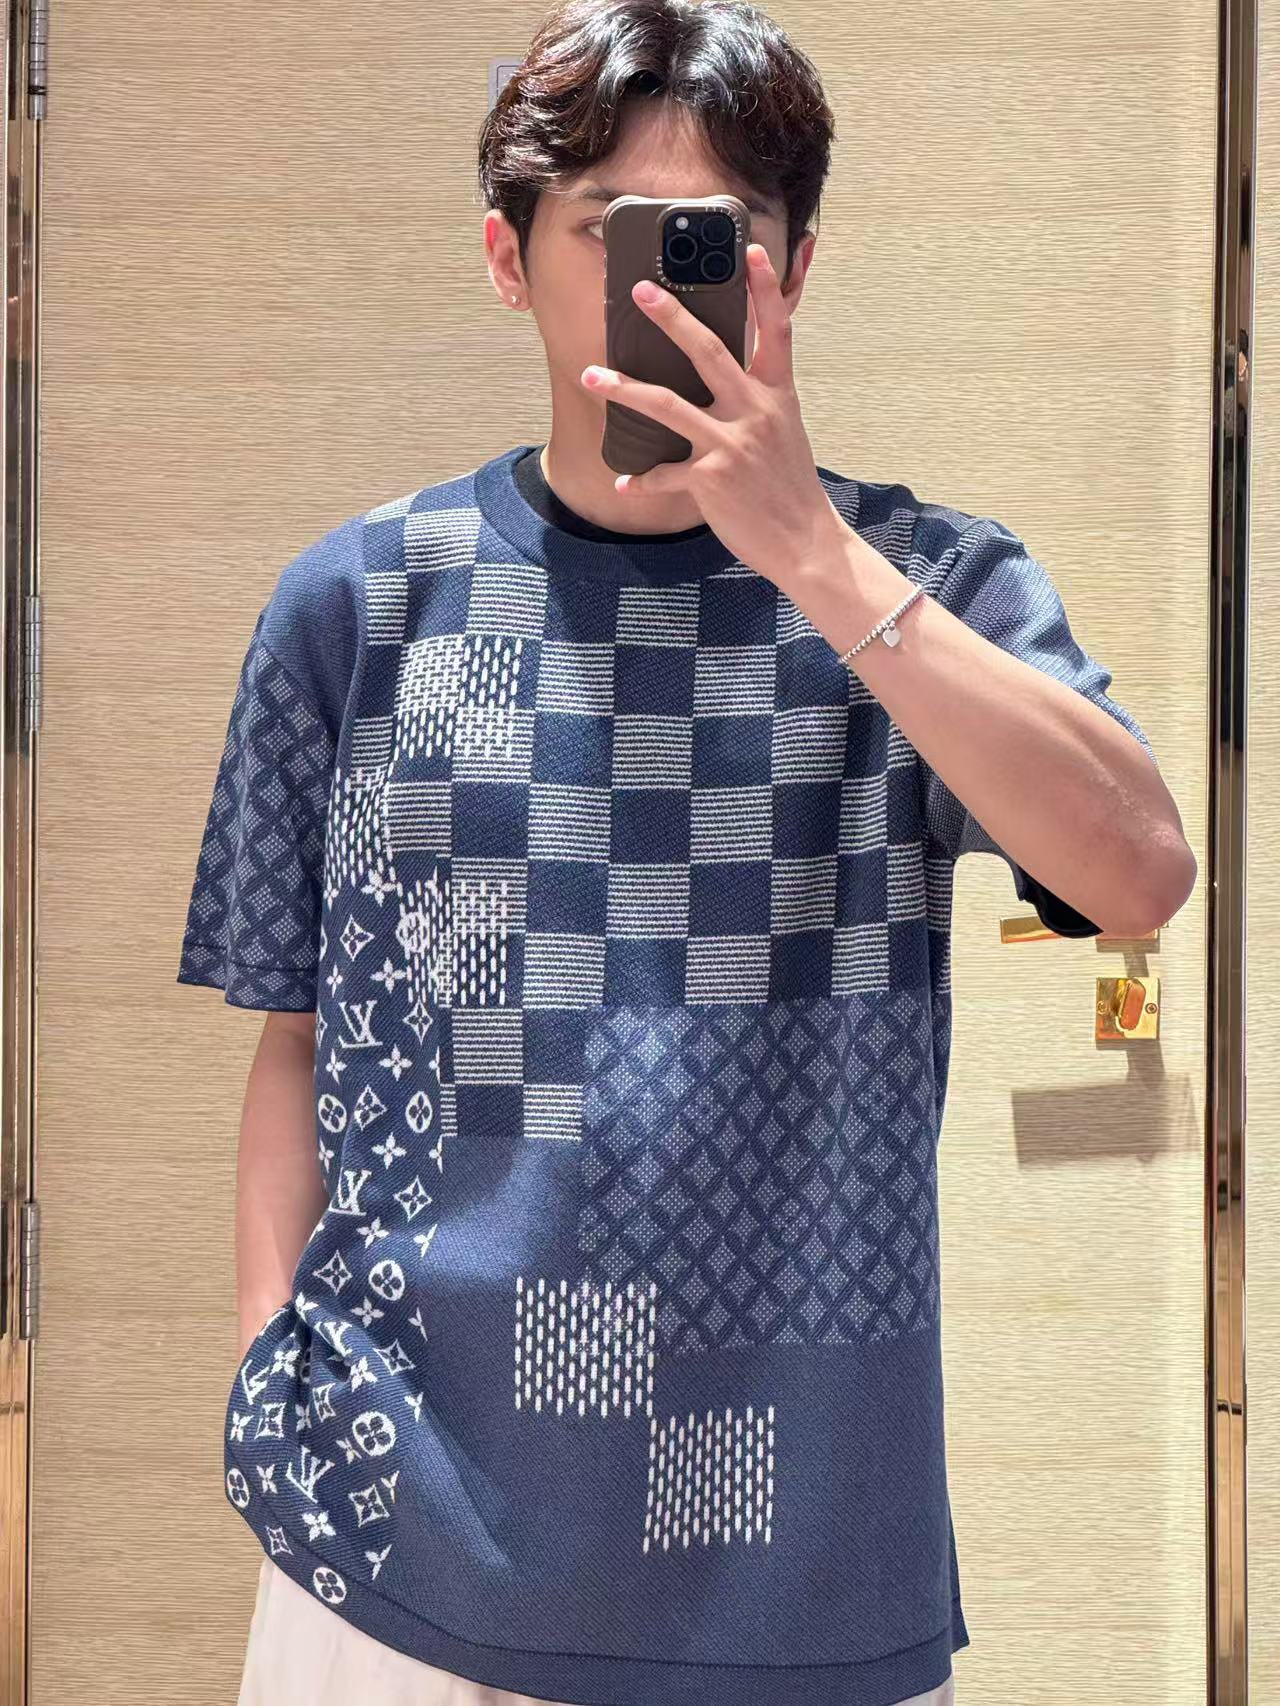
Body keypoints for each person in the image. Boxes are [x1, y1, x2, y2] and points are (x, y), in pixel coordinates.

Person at [176, 2, 1195, 1702]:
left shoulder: (931, 582)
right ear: (506, 258)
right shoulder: (355, 607)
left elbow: (1140, 874)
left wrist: (816, 558)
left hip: (806, 1575)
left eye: (713, 243)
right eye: (610, 232)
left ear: (795, 270)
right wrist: (270, 1373)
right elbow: (294, 1036)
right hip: (395, 1547)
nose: (657, 291)